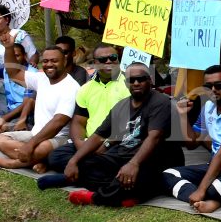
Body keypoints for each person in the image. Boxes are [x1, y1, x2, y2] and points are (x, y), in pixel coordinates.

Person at [61, 63, 182, 207]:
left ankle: (97, 198)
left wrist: (133, 164)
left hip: (153, 159)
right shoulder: (121, 106)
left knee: (139, 176)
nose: (136, 83)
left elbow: (154, 137)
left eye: (141, 79)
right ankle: (128, 192)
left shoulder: (160, 102)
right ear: (126, 83)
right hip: (122, 157)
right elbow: (98, 136)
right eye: (132, 80)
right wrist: (73, 161)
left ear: (150, 80)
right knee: (85, 164)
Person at [38, 44, 131, 187]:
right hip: (89, 143)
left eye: (113, 58)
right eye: (103, 59)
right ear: (95, 63)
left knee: (120, 158)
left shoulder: (131, 85)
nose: (108, 62)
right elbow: (78, 123)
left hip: (117, 142)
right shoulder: (86, 89)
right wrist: (82, 145)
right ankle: (95, 174)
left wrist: (105, 144)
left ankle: (74, 177)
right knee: (55, 157)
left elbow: (130, 125)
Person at [163, 64, 221, 213]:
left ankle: (206, 195)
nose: (213, 90)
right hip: (214, 166)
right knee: (168, 174)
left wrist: (202, 188)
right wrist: (183, 115)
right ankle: (204, 198)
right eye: (208, 86)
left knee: (212, 189)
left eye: (218, 85)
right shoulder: (208, 107)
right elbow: (192, 143)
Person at [0, 43, 80, 172]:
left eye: (54, 61)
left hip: (59, 137)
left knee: (42, 148)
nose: (49, 64)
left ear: (64, 62)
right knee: (1, 139)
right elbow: (14, 73)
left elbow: (58, 122)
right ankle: (39, 160)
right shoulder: (41, 79)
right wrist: (8, 47)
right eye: (45, 61)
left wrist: (30, 144)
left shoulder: (71, 87)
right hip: (35, 133)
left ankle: (15, 163)